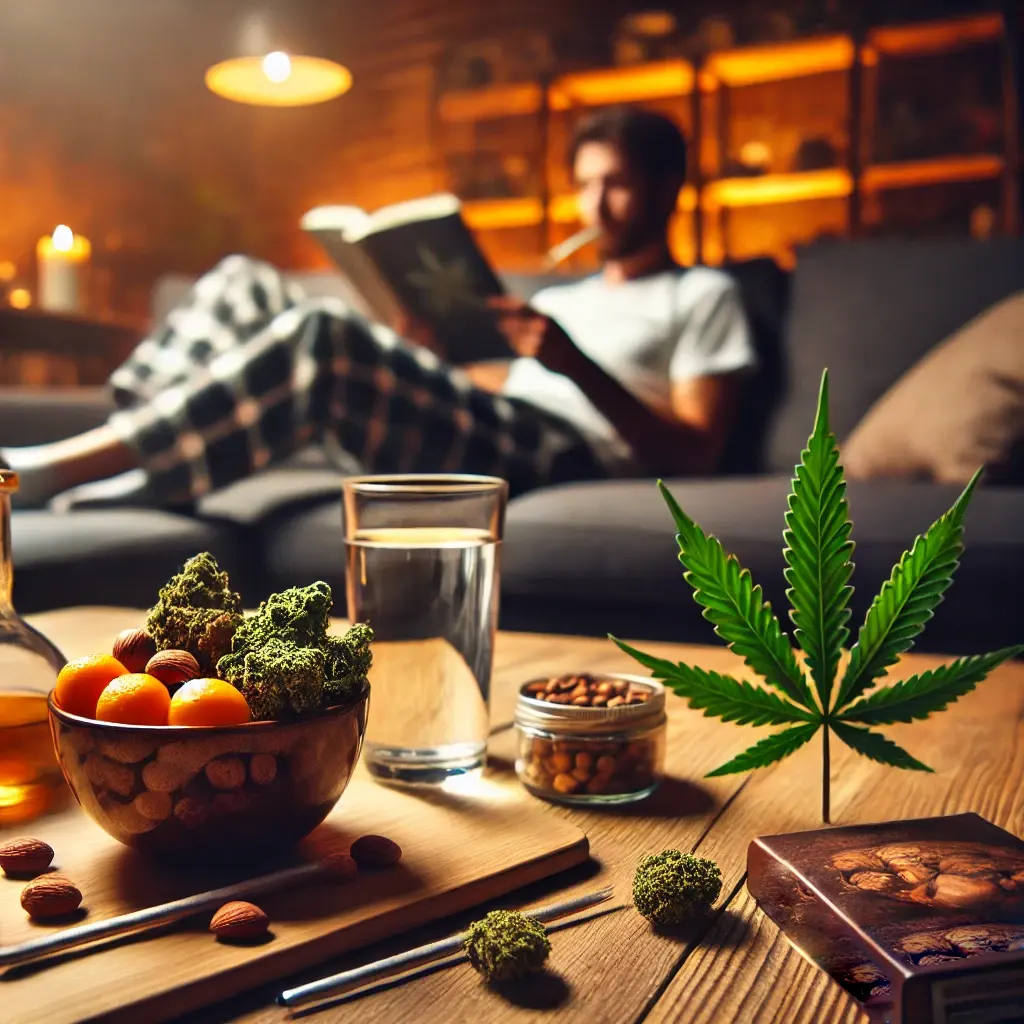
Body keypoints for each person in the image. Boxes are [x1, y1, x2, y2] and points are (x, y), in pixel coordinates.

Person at [4, 106, 755, 509]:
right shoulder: (563, 295)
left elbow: (698, 450)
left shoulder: (703, 294)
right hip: (492, 423)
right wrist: (420, 358)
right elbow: (489, 396)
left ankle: (57, 473)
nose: (598, 203)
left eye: (618, 183)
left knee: (322, 334)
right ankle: (138, 451)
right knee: (243, 279)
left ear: (665, 188)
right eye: (587, 183)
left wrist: (573, 365)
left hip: (562, 458)